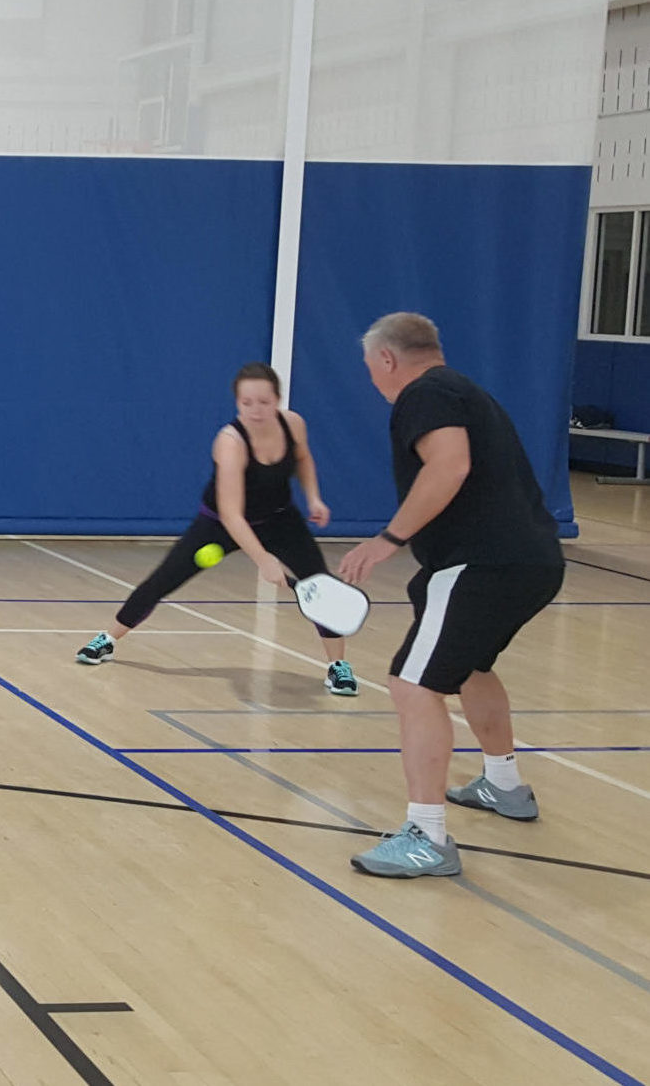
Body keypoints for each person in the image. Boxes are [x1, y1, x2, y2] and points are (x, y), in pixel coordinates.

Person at [339, 313, 564, 877]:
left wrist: (389, 539)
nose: (373, 380)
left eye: (371, 369)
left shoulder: (425, 392)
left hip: (481, 564)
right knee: (469, 667)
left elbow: (450, 465)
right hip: (534, 560)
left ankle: (426, 837)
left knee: (411, 683)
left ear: (388, 359)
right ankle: (504, 785)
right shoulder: (465, 390)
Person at [76, 362, 358, 696]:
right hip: (219, 524)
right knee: (163, 579)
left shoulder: (293, 424)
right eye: (246, 403)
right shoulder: (231, 442)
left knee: (320, 586)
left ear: (277, 400)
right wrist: (264, 559)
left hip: (281, 519)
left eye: (264, 402)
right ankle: (107, 639)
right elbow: (231, 513)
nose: (255, 410)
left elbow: (303, 458)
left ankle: (337, 666)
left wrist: (314, 498)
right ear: (237, 403)